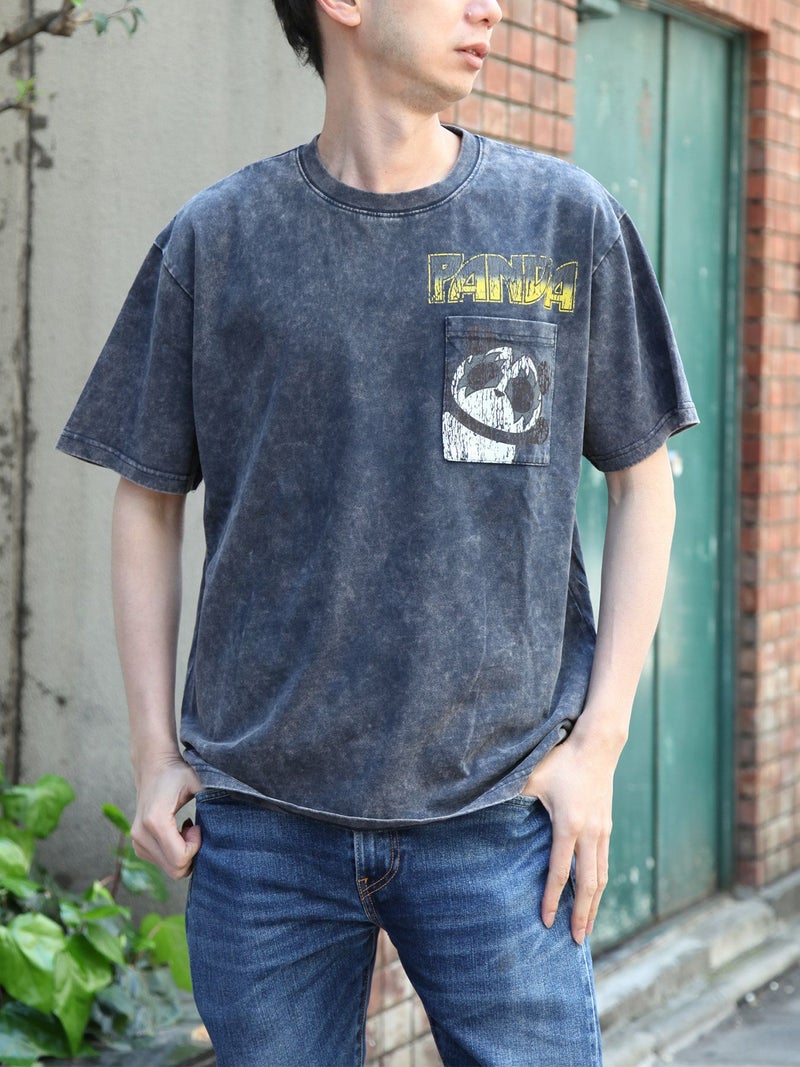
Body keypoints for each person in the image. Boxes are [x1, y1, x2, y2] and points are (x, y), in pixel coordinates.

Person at [57, 1, 698, 1063]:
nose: (490, 7)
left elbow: (645, 483)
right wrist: (152, 753)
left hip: (502, 819)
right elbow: (147, 495)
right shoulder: (218, 239)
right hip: (262, 830)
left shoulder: (561, 221)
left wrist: (598, 747)